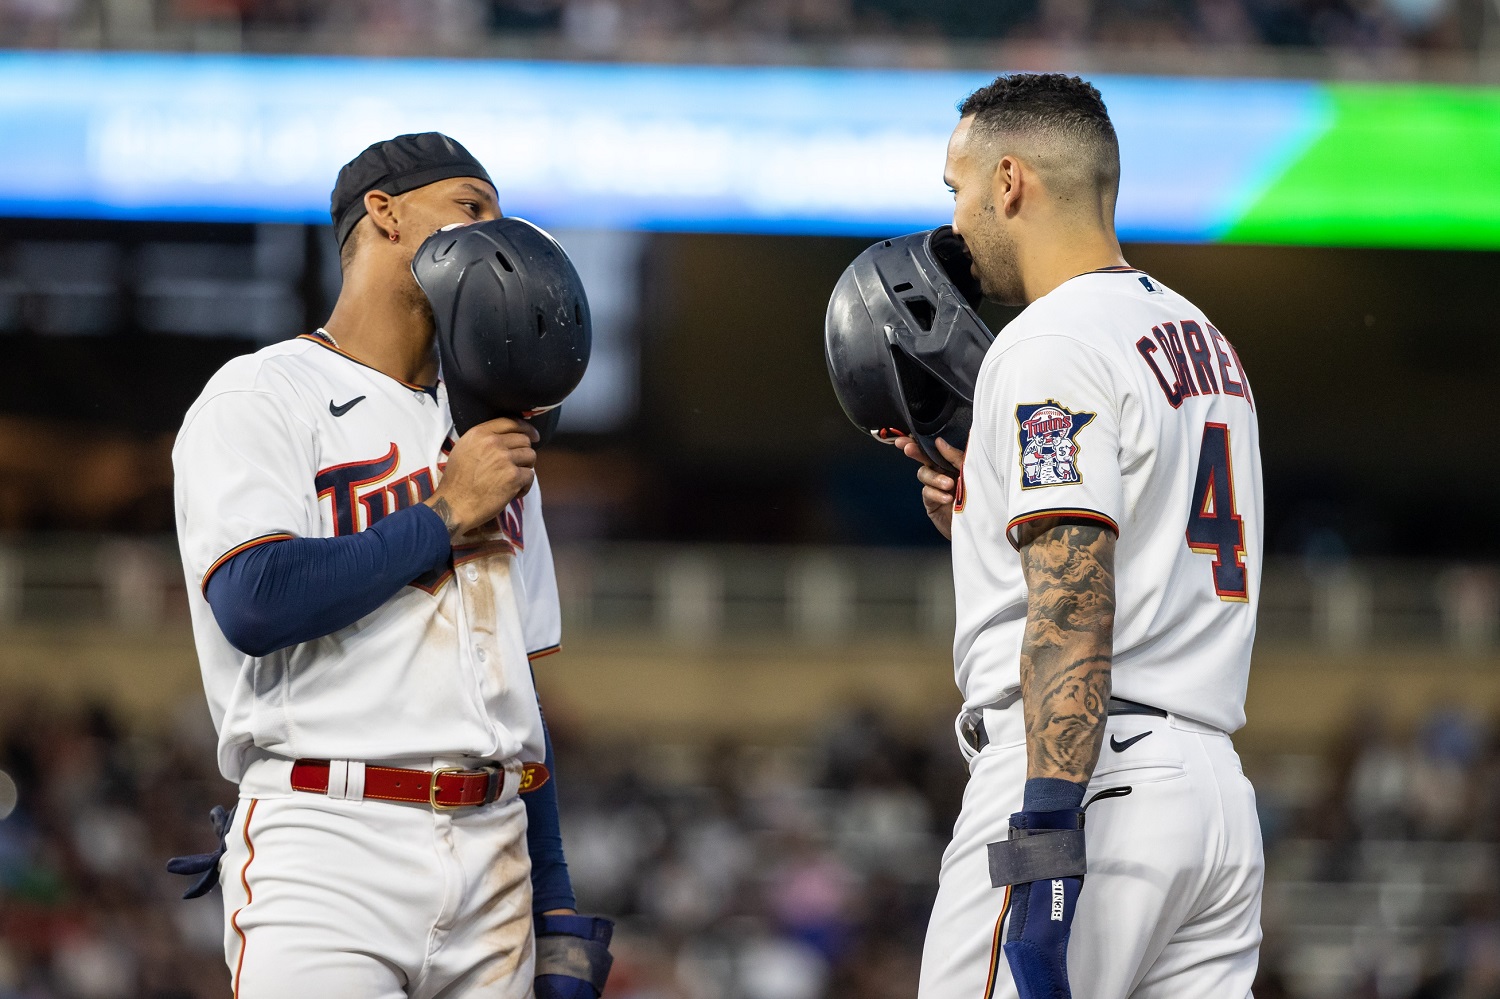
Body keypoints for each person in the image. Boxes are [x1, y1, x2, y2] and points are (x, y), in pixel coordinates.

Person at [170, 132, 608, 998]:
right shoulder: (264, 392)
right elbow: (254, 600)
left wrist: (555, 907)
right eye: (470, 207)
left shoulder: (492, 430)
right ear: (385, 213)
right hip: (330, 842)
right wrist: (445, 513)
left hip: (494, 851)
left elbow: (516, 694)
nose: (495, 232)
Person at [899, 75, 1266, 998]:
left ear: (1010, 181)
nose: (955, 217)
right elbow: (1140, 530)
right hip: (1214, 789)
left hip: (1090, 775)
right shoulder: (1201, 335)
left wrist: (1048, 829)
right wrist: (980, 519)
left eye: (959, 188)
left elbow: (1074, 591)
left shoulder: (1045, 340)